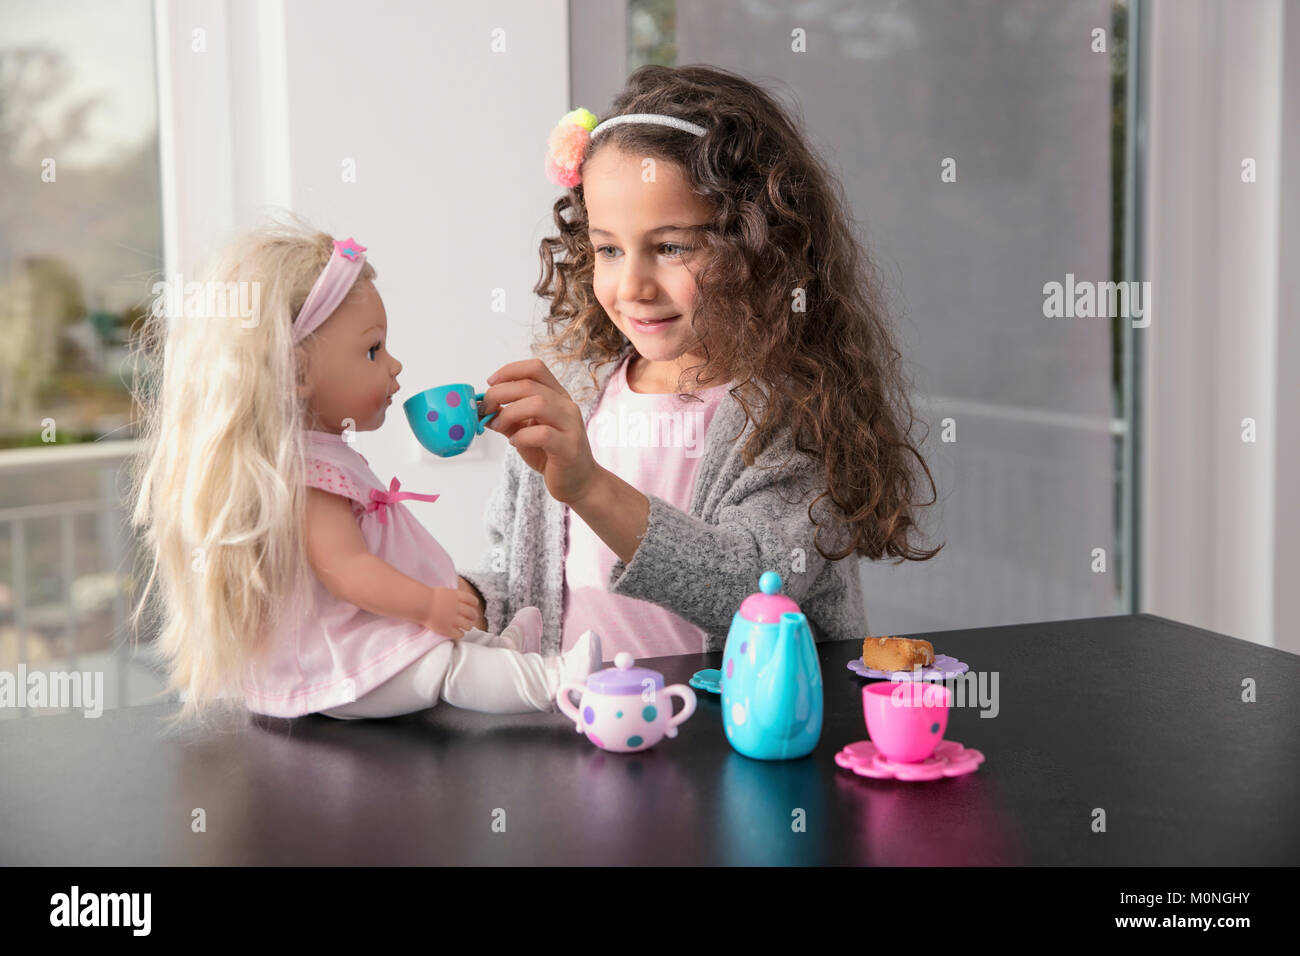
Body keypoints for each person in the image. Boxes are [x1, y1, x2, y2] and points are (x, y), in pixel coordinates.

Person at [458, 65, 943, 663]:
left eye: (670, 247)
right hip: (585, 728)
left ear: (758, 247)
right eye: (609, 248)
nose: (631, 285)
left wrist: (587, 485)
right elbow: (520, 580)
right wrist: (452, 598)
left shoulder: (790, 413)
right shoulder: (577, 398)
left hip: (727, 740)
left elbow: (755, 589)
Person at [127, 216, 601, 727]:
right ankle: (554, 682)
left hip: (354, 643)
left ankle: (501, 653)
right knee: (443, 665)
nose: (394, 366)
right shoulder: (305, 476)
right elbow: (347, 570)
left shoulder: (319, 456)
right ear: (298, 373)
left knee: (443, 644)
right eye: (373, 349)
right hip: (341, 667)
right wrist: (426, 606)